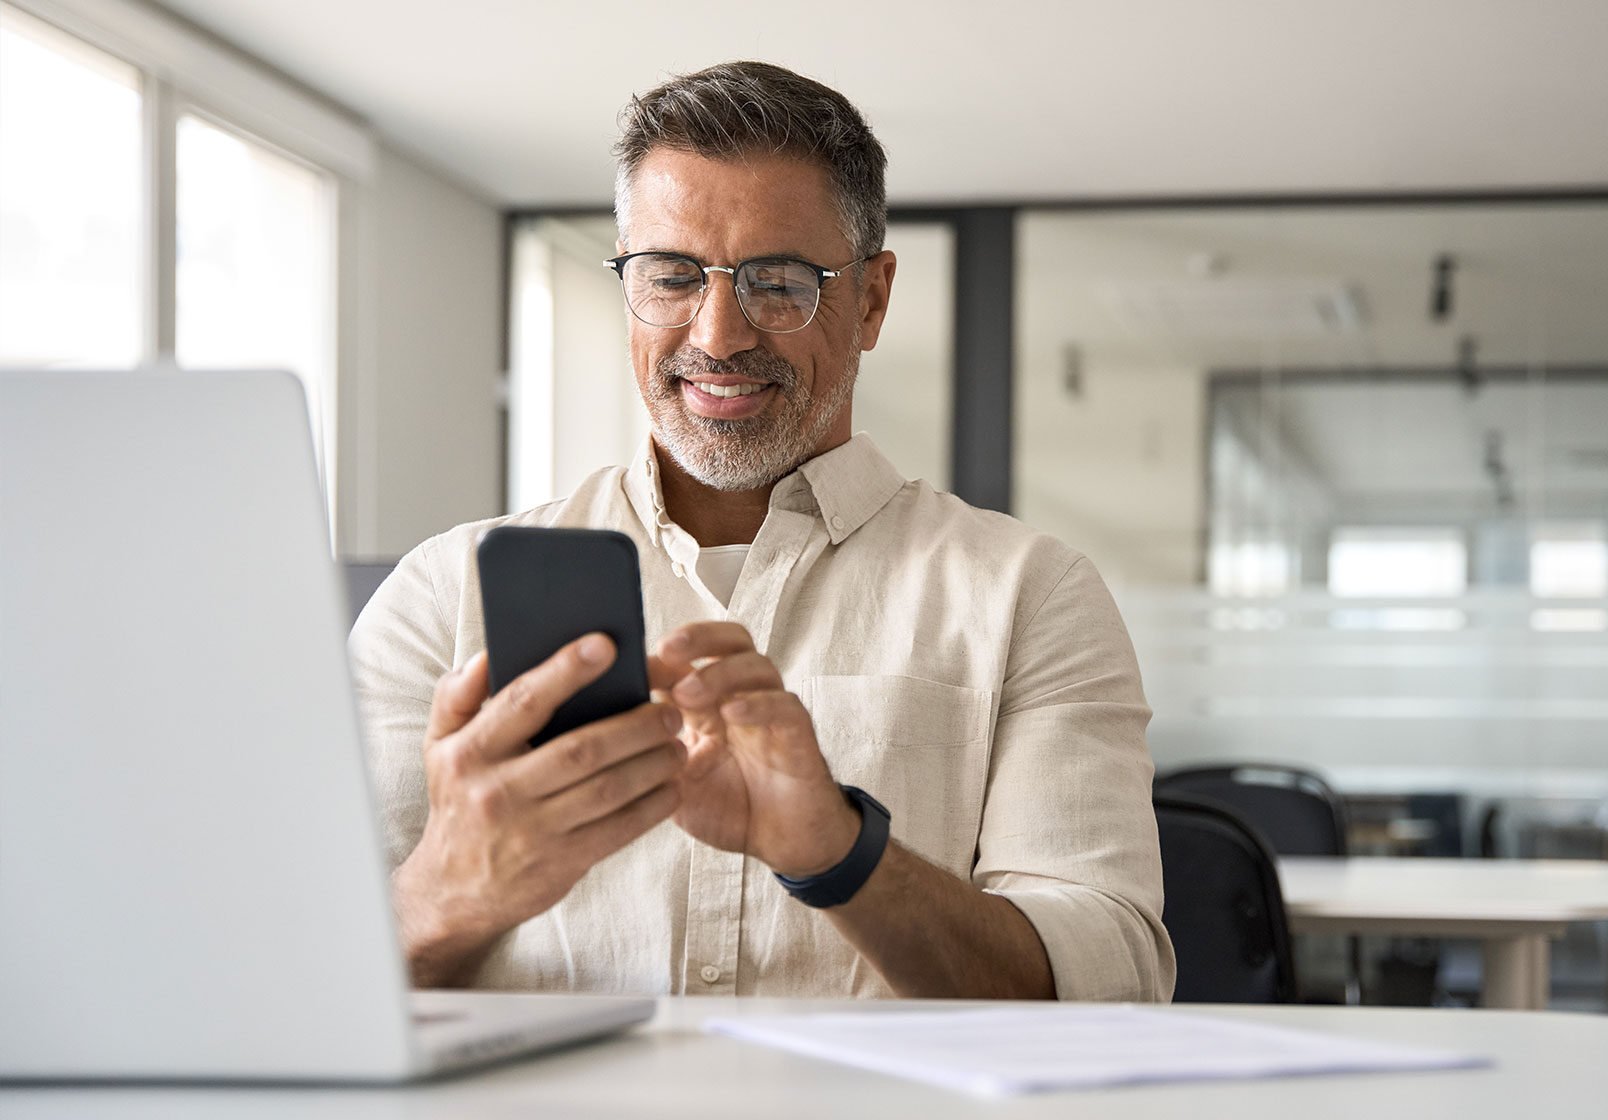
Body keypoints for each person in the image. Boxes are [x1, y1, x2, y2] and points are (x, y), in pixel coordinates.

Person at [350, 60, 1174, 1003]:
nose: (718, 334)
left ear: (870, 301)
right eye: (671, 276)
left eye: (778, 282)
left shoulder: (1030, 595)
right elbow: (296, 984)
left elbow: (1111, 983)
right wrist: (457, 884)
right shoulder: (442, 595)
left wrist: (839, 852)